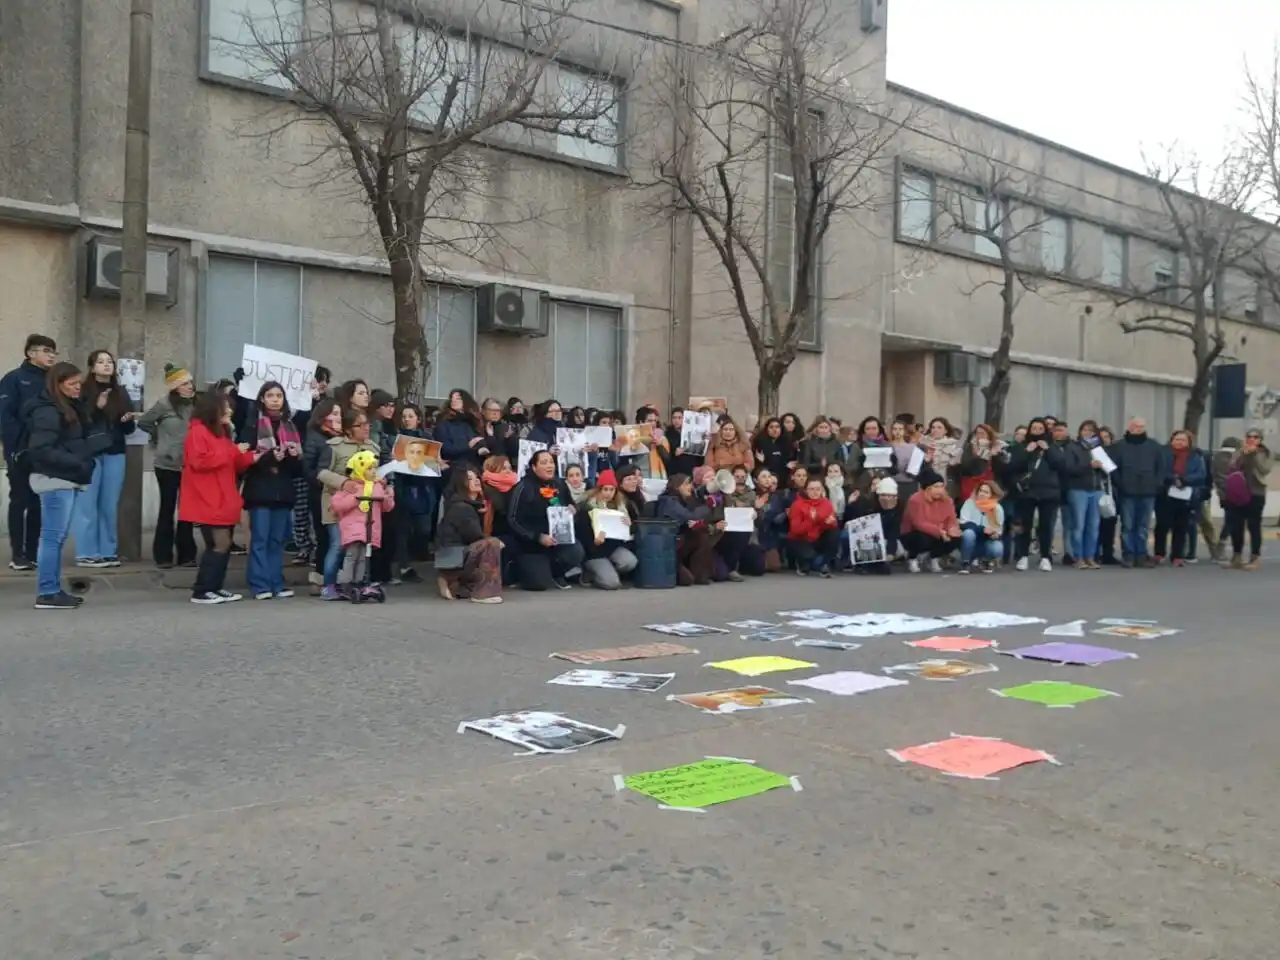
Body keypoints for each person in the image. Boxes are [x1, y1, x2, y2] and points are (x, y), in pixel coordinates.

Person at [23, 361, 113, 608]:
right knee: (52, 538)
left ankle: (52, 590)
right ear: (58, 384)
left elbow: (70, 440)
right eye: (72, 384)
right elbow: (41, 449)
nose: (77, 388)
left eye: (78, 383)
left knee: (56, 538)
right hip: (55, 480)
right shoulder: (48, 411)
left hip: (65, 477)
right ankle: (48, 592)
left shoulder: (66, 406)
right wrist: (78, 462)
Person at [180, 390, 262, 604]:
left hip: (222, 495)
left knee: (222, 544)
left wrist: (252, 457)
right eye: (225, 407)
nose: (230, 411)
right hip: (207, 497)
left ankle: (214, 587)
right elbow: (200, 462)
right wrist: (234, 451)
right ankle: (202, 590)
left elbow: (231, 462)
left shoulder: (221, 432)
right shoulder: (197, 432)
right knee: (219, 543)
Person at [237, 380, 304, 599]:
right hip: (260, 489)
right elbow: (244, 458)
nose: (275, 400)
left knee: (277, 540)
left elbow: (297, 470)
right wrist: (267, 457)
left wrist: (292, 458)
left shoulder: (291, 426)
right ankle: (259, 584)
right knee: (260, 539)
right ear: (262, 399)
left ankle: (277, 582)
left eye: (279, 396)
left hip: (282, 490)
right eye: (270, 396)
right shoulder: (253, 425)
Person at [71, 350, 137, 568]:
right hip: (90, 452)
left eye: (109, 362)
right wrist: (97, 408)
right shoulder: (83, 390)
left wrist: (128, 420)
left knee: (109, 505)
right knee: (87, 504)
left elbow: (128, 428)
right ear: (92, 367)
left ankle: (108, 550)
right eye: (101, 362)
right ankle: (86, 552)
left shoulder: (120, 392)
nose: (106, 365)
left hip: (115, 451)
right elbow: (77, 423)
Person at [1, 333, 59, 570]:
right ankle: (18, 554)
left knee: (40, 501)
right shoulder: (14, 379)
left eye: (53, 351)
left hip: (47, 451)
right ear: (30, 353)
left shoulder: (54, 381)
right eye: (46, 351)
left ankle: (33, 552)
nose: (51, 356)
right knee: (20, 499)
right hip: (21, 451)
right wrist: (17, 445)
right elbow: (4, 415)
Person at [136, 363, 198, 568]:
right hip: (167, 464)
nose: (190, 386)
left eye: (190, 382)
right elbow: (144, 422)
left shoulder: (196, 406)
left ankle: (187, 555)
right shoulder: (164, 405)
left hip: (190, 464)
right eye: (185, 384)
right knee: (167, 509)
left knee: (188, 511)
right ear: (175, 387)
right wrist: (159, 438)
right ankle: (163, 556)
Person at [315, 407, 380, 599]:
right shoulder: (334, 446)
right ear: (349, 428)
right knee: (338, 545)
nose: (366, 428)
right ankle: (328, 585)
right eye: (361, 425)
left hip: (362, 508)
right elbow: (321, 472)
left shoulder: (373, 448)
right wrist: (344, 482)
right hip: (338, 503)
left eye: (368, 424)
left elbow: (379, 472)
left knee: (359, 547)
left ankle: (354, 583)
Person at [506, 449, 585, 590]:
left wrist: (573, 511)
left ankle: (556, 573)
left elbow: (570, 506)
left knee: (576, 551)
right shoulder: (523, 487)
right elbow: (513, 520)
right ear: (534, 467)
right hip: (531, 545)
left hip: (558, 541)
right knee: (539, 584)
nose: (549, 465)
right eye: (544, 463)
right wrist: (538, 537)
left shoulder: (559, 484)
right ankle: (517, 569)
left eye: (551, 462)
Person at [330, 450, 395, 599]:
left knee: (364, 556)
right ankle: (347, 582)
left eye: (374, 468)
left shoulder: (377, 486)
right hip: (354, 526)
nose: (373, 471)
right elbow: (337, 504)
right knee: (353, 554)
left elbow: (387, 507)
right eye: (369, 468)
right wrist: (355, 499)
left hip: (370, 526)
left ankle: (360, 581)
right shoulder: (352, 486)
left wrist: (389, 494)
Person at [435, 466, 504, 603]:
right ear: (461, 484)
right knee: (491, 544)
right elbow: (474, 536)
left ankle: (453, 583)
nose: (477, 481)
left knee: (490, 543)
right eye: (470, 479)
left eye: (477, 477)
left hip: (455, 557)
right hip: (454, 558)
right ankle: (482, 593)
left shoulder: (470, 505)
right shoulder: (461, 507)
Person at [1007, 418, 1065, 571]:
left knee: (1045, 526)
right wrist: (1027, 452)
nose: (1037, 431)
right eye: (1034, 428)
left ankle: (1045, 557)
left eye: (1041, 428)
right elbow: (1014, 466)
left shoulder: (1052, 446)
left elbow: (1060, 464)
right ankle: (1023, 556)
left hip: (1048, 492)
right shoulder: (1023, 447)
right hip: (1027, 491)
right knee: (1025, 525)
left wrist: (1048, 449)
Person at [1108, 417, 1164, 568]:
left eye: (1142, 426)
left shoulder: (1154, 446)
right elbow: (1113, 469)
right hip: (1127, 492)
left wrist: (1156, 484)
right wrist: (1121, 484)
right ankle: (1128, 554)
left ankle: (1141, 554)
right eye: (1136, 426)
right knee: (1128, 525)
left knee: (1143, 526)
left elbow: (1161, 468)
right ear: (1129, 427)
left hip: (1148, 491)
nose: (1139, 429)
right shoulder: (1119, 446)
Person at [288, 365, 330, 566]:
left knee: (316, 512)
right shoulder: (297, 404)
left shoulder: (328, 406)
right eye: (318, 379)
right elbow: (295, 423)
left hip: (317, 466)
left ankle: (315, 548)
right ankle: (303, 546)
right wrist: (307, 399)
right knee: (301, 510)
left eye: (325, 380)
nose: (321, 384)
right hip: (299, 464)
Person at [576, 469, 639, 589]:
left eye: (612, 490)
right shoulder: (588, 508)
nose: (608, 493)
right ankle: (589, 572)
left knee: (630, 562)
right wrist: (594, 541)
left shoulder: (621, 507)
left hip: (613, 548)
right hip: (594, 553)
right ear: (599, 490)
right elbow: (582, 535)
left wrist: (629, 526)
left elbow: (632, 528)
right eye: (605, 489)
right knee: (612, 584)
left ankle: (606, 571)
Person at [1152, 429, 1206, 567]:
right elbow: (1160, 470)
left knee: (1181, 526)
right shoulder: (1163, 453)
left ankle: (1177, 555)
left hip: (1186, 494)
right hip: (1165, 493)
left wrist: (1184, 480)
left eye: (1182, 440)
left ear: (1188, 442)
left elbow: (1201, 474)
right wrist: (1173, 479)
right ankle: (1159, 553)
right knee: (1162, 525)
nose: (1179, 442)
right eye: (1176, 439)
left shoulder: (1196, 456)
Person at [1222, 428, 1271, 570]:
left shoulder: (1266, 453)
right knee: (1236, 525)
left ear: (1260, 439)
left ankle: (1255, 558)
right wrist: (1243, 455)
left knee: (1254, 525)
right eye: (1249, 436)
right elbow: (1231, 466)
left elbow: (1263, 469)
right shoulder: (1239, 451)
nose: (1252, 439)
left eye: (1256, 437)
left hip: (1256, 493)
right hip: (1238, 492)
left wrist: (1253, 454)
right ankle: (1236, 556)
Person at [1060, 420, 1106, 570]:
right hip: (1078, 489)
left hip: (1096, 489)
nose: (1087, 433)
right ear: (1080, 432)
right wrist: (1089, 466)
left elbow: (1109, 468)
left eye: (1091, 431)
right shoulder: (1072, 447)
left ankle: (1090, 557)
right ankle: (1078, 557)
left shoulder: (1099, 448)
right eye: (1084, 430)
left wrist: (1103, 466)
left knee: (1093, 526)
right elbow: (1069, 468)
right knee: (1078, 525)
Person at [657, 473, 716, 585]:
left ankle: (700, 574)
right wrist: (706, 506)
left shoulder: (683, 499)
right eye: (686, 484)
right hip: (670, 546)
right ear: (677, 486)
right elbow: (690, 516)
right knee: (686, 580)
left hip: (680, 541)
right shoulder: (670, 501)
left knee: (701, 535)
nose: (690, 487)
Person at [901, 467, 961, 573]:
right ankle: (912, 558)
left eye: (942, 486)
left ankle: (933, 558)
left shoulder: (948, 500)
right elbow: (918, 523)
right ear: (927, 488)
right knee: (924, 538)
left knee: (956, 538)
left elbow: (951, 519)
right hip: (914, 533)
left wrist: (951, 529)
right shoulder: (915, 500)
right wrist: (939, 531)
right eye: (936, 487)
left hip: (940, 531)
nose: (940, 490)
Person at [845, 476, 902, 575]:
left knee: (887, 564)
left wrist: (890, 553)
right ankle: (861, 564)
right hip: (865, 537)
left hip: (884, 539)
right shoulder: (867, 504)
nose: (887, 499)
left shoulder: (897, 510)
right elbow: (857, 519)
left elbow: (894, 532)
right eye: (883, 495)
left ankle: (879, 562)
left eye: (890, 496)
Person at [786, 476, 840, 577]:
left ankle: (823, 563)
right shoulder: (797, 505)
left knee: (834, 532)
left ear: (822, 490)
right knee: (809, 559)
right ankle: (811, 564)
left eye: (818, 489)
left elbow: (832, 523)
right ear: (806, 490)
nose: (815, 492)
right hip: (801, 540)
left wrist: (829, 523)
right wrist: (811, 520)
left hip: (818, 538)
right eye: (811, 489)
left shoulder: (826, 503)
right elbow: (795, 530)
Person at [436, 389, 490, 473]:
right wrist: (468, 446)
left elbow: (481, 443)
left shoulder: (474, 422)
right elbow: (445, 450)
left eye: (458, 398)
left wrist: (487, 441)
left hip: (476, 468)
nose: (453, 400)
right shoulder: (444, 423)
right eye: (452, 398)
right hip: (455, 470)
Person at [958, 480, 1004, 573]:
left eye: (986, 492)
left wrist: (995, 534)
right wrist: (982, 529)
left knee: (997, 548)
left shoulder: (997, 508)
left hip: (986, 540)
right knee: (968, 533)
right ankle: (966, 563)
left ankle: (986, 561)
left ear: (992, 495)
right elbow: (964, 523)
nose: (982, 494)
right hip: (970, 540)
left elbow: (998, 530)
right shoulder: (969, 503)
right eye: (981, 491)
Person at [1096, 426, 1119, 565]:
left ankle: (1108, 553)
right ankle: (1094, 552)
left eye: (1107, 437)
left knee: (1110, 523)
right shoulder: (1093, 453)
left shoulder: (1116, 452)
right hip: (1097, 490)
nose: (1104, 439)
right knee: (1095, 524)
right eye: (1101, 436)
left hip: (1112, 491)